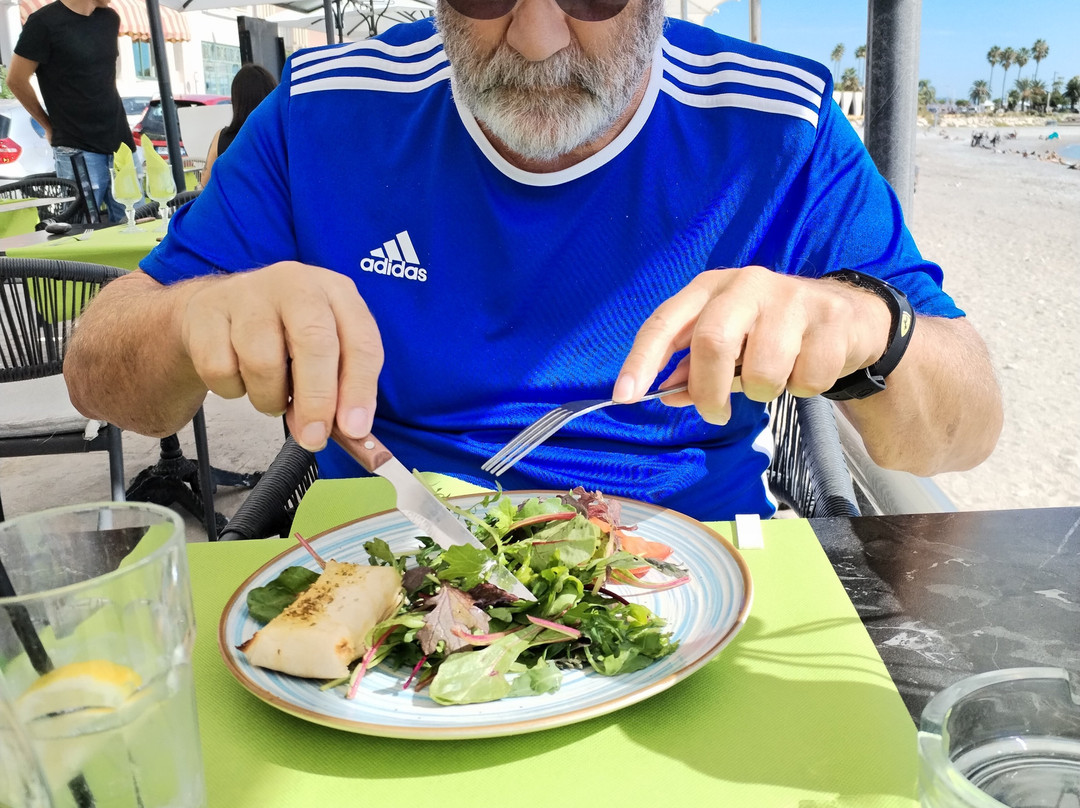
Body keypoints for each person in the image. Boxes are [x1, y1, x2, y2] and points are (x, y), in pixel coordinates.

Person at [65, 2, 1003, 522]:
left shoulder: (778, 126)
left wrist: (872, 331)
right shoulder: (323, 112)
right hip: (384, 566)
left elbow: (966, 429)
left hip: (693, 579)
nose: (538, 37)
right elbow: (100, 376)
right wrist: (193, 317)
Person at [7, 0, 135, 223]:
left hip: (120, 143)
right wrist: (48, 126)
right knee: (82, 230)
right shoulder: (43, 23)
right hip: (76, 147)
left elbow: (101, 78)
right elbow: (16, 80)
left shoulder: (110, 19)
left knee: (136, 222)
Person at [200, 64, 278, 187]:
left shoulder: (221, 139)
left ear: (236, 102)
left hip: (232, 199)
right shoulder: (282, 138)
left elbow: (205, 182)